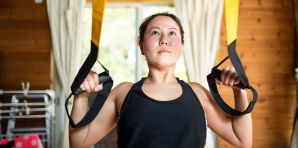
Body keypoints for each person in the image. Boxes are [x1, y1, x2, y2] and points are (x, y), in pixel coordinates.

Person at [69, 12, 252, 148]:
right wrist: (81, 97)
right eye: (155, 33)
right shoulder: (124, 93)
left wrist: (239, 91)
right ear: (141, 46)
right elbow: (78, 142)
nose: (164, 39)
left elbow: (242, 139)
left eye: (172, 33)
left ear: (181, 46)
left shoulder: (197, 93)